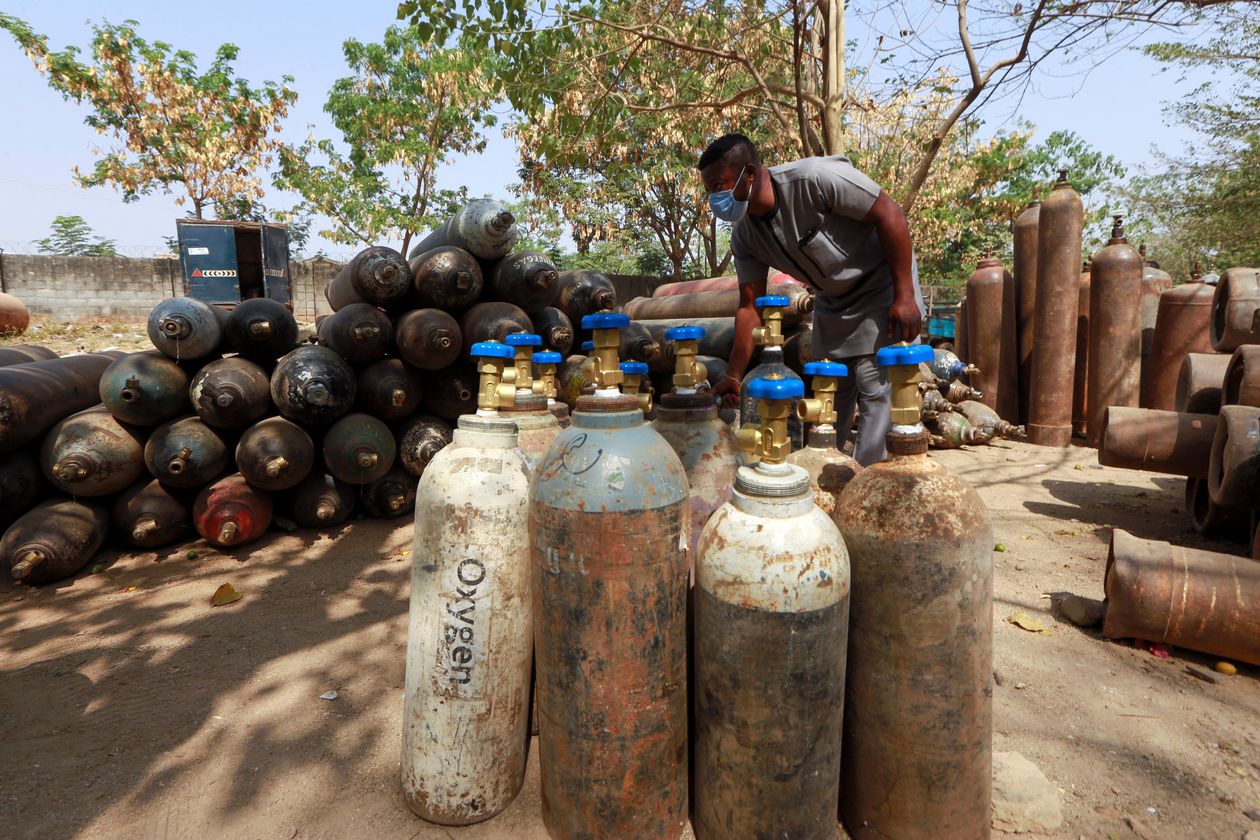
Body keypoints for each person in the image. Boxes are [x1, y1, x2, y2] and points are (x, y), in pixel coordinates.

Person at [698, 133, 925, 465]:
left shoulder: (814, 179)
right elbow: (749, 307)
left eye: (720, 185)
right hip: (831, 301)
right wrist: (733, 375)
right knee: (828, 390)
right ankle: (826, 472)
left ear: (749, 174)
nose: (716, 198)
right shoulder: (745, 235)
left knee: (876, 386)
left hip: (882, 286)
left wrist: (905, 296)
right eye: (710, 190)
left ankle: (868, 480)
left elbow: (891, 215)